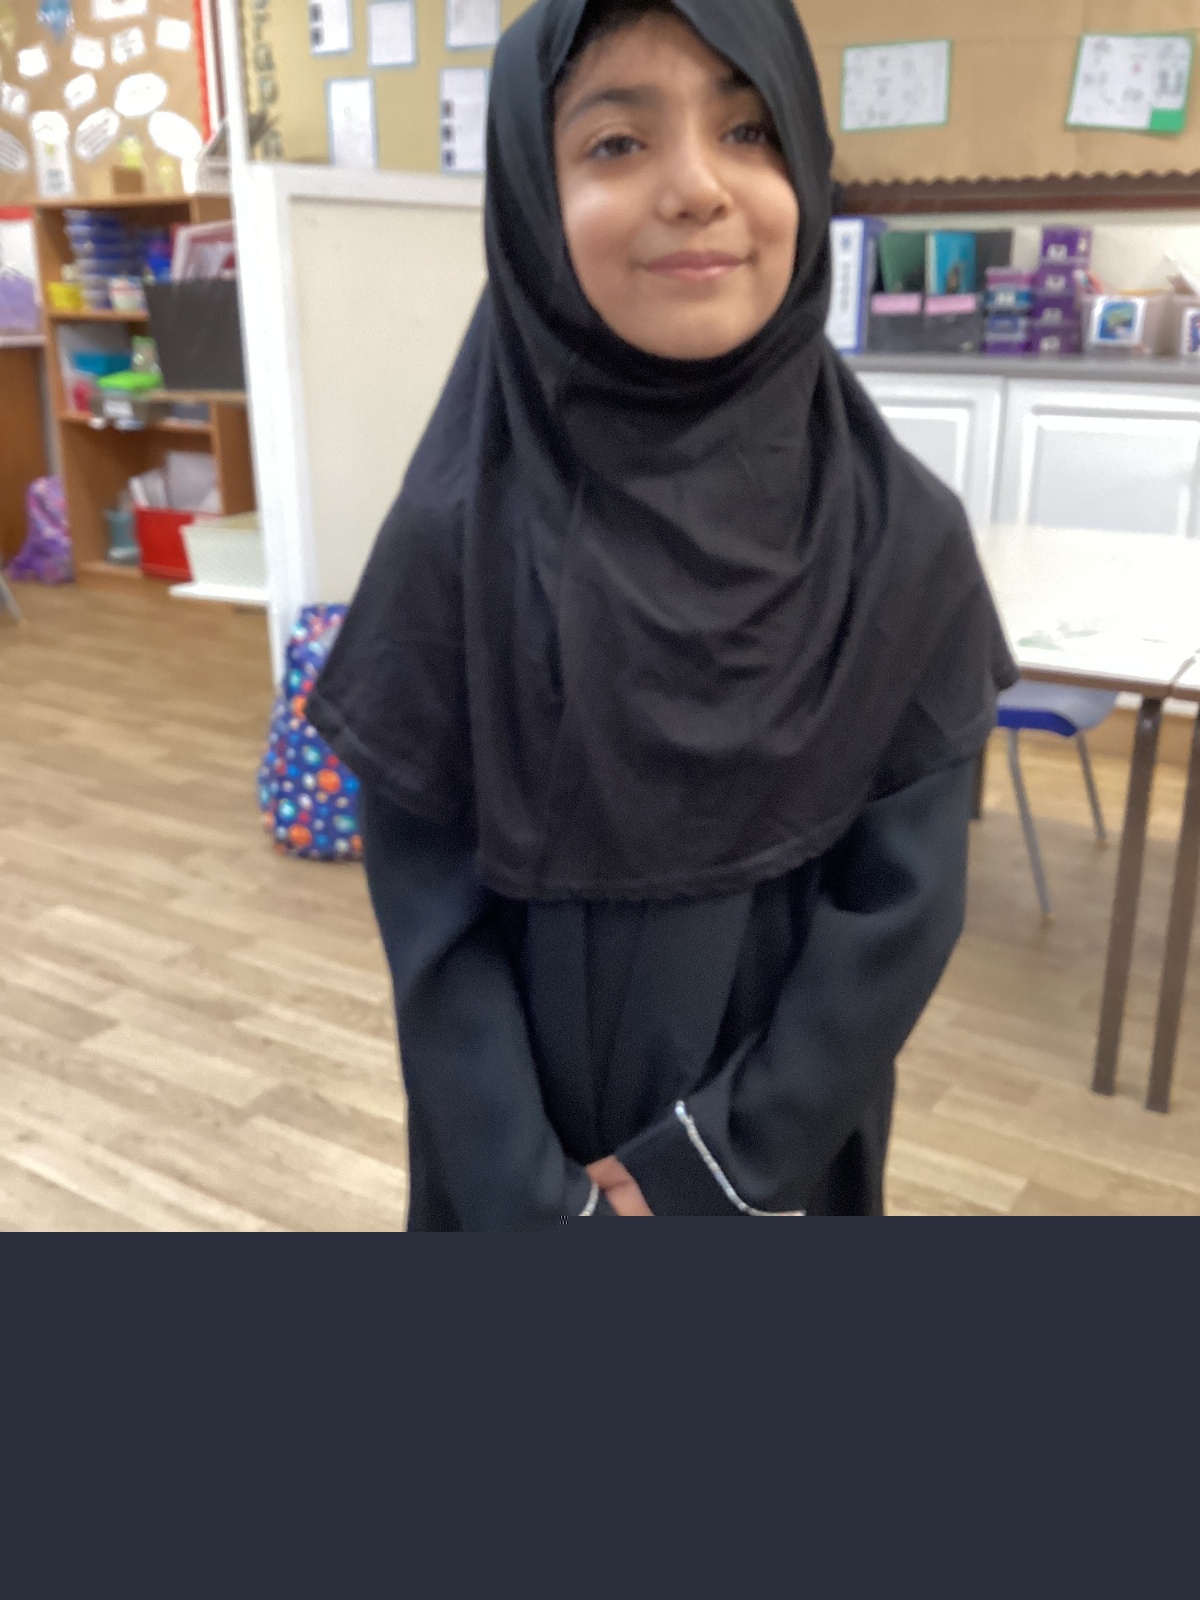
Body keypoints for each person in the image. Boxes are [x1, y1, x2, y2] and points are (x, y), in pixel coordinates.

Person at [306, 0, 1016, 1227]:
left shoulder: (900, 536)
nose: (695, 188)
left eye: (748, 130)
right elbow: (431, 926)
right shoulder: (452, 539)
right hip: (517, 1160)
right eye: (617, 143)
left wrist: (723, 1167)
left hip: (779, 1158)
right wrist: (543, 1205)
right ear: (531, 198)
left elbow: (903, 906)